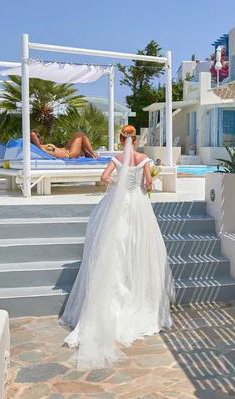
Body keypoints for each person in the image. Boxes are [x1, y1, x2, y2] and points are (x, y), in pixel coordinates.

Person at [59, 125, 175, 370]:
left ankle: (111, 300)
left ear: (121, 139)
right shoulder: (143, 159)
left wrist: (116, 183)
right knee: (138, 247)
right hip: (138, 206)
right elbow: (149, 183)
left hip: (117, 205)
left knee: (115, 246)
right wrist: (145, 182)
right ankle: (137, 297)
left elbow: (103, 178)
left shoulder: (116, 158)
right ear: (135, 139)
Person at [30, 130, 100, 159]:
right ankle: (93, 154)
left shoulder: (41, 147)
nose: (40, 138)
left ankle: (88, 154)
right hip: (69, 155)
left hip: (66, 149)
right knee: (80, 135)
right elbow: (32, 134)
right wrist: (34, 133)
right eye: (37, 137)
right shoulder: (38, 148)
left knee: (77, 134)